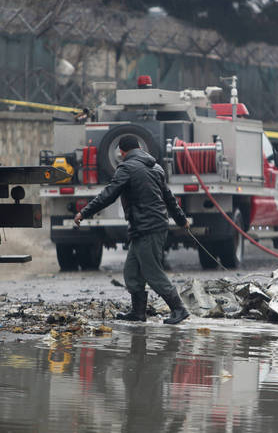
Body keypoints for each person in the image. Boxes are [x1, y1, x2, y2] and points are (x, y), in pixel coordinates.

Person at [73, 136, 190, 324]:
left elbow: (108, 195)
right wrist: (181, 219)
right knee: (132, 272)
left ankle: (179, 308)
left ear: (122, 152)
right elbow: (169, 198)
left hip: (148, 227)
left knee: (152, 272)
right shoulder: (156, 167)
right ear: (139, 148)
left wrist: (84, 213)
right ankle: (138, 313)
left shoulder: (126, 168)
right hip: (147, 226)